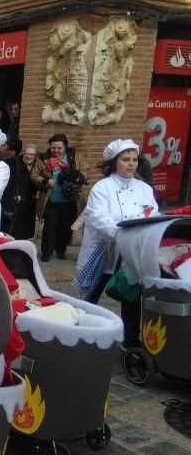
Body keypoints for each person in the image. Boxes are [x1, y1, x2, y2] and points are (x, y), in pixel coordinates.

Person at [75, 139, 158, 348]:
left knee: (130, 296)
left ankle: (131, 342)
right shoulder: (102, 188)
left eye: (134, 159)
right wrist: (125, 234)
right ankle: (78, 334)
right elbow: (100, 219)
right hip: (104, 252)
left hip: (130, 253)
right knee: (91, 294)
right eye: (125, 159)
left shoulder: (144, 189)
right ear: (114, 162)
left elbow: (152, 213)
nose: (131, 164)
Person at [32, 133, 88, 262]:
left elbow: (85, 170)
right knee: (49, 227)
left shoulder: (74, 157)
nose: (56, 151)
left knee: (66, 228)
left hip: (70, 200)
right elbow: (34, 175)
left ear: (65, 147)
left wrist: (79, 178)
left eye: (59, 148)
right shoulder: (44, 159)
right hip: (51, 200)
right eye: (53, 148)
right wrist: (46, 181)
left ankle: (61, 250)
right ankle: (46, 252)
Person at [1, 145, 39, 239]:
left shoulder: (38, 166)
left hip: (29, 203)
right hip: (14, 201)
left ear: (35, 156)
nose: (29, 157)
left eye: (32, 155)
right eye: (27, 154)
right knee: (12, 229)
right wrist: (14, 194)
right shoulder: (13, 163)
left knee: (25, 229)